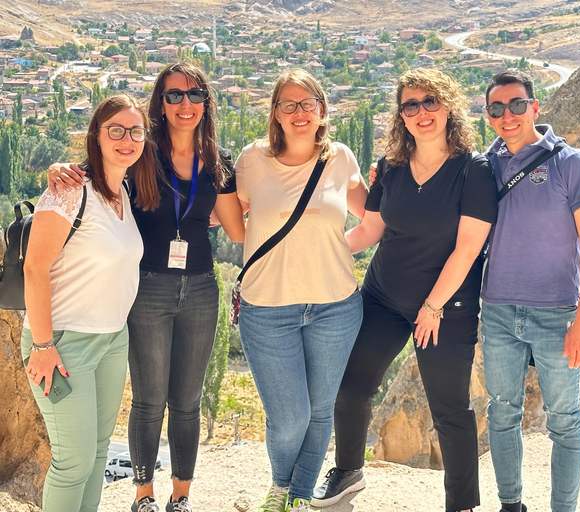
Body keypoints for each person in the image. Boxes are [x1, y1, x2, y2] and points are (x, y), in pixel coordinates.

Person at [47, 62, 245, 512]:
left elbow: (237, 230)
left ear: (206, 103)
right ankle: (144, 496)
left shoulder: (218, 163)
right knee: (150, 399)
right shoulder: (140, 153)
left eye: (195, 95)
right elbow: (91, 172)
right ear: (160, 102)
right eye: (174, 95)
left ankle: (181, 496)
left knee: (188, 400)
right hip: (147, 289)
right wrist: (60, 169)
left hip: (199, 288)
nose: (185, 104)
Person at [315, 68, 498, 512]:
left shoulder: (474, 171)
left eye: (430, 102)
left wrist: (433, 307)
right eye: (410, 105)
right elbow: (370, 229)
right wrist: (318, 255)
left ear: (449, 106)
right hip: (383, 298)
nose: (421, 113)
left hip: (445, 307)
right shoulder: (392, 168)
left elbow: (468, 248)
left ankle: (462, 505)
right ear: (401, 116)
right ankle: (347, 473)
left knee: (449, 410)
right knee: (352, 386)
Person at [234, 68, 367, 512]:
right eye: (288, 104)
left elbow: (376, 215)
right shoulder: (252, 160)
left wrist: (337, 250)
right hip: (267, 308)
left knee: (320, 411)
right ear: (275, 113)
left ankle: (292, 499)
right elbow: (230, 220)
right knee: (290, 418)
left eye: (307, 103)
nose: (299, 113)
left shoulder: (341, 158)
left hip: (335, 307)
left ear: (322, 110)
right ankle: (280, 484)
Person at [23, 94, 158, 512]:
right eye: (115, 130)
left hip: (111, 340)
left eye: (135, 131)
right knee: (72, 462)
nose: (126, 139)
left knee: (97, 455)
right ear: (95, 137)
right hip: (63, 345)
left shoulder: (122, 195)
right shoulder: (68, 192)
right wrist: (44, 347)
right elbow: (34, 269)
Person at [480, 70, 580, 512]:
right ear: (488, 116)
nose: (507, 116)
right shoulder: (486, 165)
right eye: (497, 109)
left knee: (565, 422)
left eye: (516, 105)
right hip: (496, 312)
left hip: (557, 314)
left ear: (535, 107)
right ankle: (510, 505)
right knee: (501, 414)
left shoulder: (570, 163)